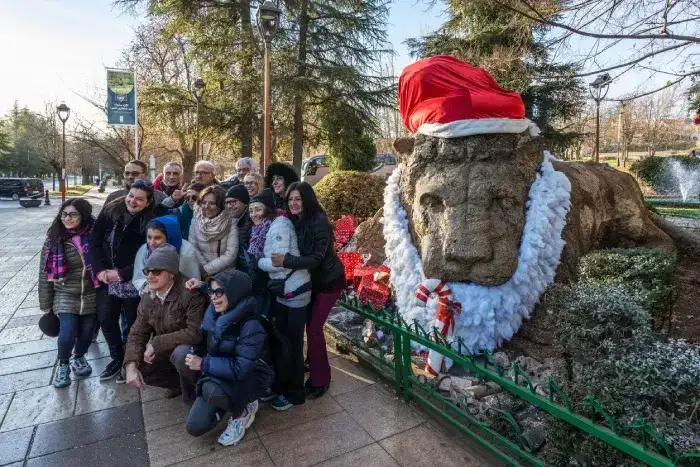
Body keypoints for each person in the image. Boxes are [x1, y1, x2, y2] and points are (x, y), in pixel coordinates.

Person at [183, 271, 273, 445]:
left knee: (210, 389)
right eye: (212, 292)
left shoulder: (251, 325)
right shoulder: (219, 312)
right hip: (221, 370)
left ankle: (244, 410)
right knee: (195, 426)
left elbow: (241, 368)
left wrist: (203, 363)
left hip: (250, 377)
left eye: (219, 292)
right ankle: (223, 401)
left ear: (234, 293)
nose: (214, 298)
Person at [272, 182, 345, 398]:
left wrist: (287, 261)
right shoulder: (293, 220)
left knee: (313, 329)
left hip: (329, 282)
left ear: (307, 200)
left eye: (298, 199)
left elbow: (316, 258)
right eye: (291, 199)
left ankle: (321, 379)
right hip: (310, 282)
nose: (294, 203)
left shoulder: (319, 221)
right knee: (306, 327)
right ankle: (310, 362)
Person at [91, 179, 168, 382]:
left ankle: (131, 360)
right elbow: (94, 240)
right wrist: (99, 270)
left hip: (133, 277)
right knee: (107, 319)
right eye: (131, 196)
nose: (133, 201)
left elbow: (151, 253)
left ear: (148, 202)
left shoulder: (152, 218)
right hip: (106, 276)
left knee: (135, 323)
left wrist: (122, 274)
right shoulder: (111, 210)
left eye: (139, 199)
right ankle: (117, 358)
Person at [123, 244, 207, 401]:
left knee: (182, 354)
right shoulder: (148, 296)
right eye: (147, 271)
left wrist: (156, 343)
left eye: (156, 272)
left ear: (172, 274)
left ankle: (196, 396)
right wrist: (130, 365)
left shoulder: (190, 293)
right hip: (166, 350)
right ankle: (179, 384)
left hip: (192, 350)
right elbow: (137, 333)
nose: (149, 276)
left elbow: (195, 333)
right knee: (132, 366)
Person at [253, 189, 311, 410]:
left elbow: (278, 263)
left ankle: (295, 393)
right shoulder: (272, 224)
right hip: (287, 292)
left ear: (269, 208)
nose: (254, 214)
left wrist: (259, 262)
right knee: (284, 342)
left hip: (294, 291)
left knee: (292, 344)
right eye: (251, 210)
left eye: (258, 209)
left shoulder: (278, 225)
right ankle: (284, 386)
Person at [39, 198, 100, 388]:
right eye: (64, 214)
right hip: (65, 293)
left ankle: (79, 357)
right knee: (68, 332)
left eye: (73, 214)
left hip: (91, 292)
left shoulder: (95, 235)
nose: (67, 218)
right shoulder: (54, 239)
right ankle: (63, 364)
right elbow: (44, 274)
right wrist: (46, 304)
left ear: (83, 215)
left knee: (87, 332)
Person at [132, 216, 200, 293]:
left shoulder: (186, 252)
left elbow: (193, 281)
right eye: (149, 237)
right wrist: (145, 285)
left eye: (157, 238)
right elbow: (138, 278)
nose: (151, 243)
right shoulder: (144, 250)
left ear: (169, 237)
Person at [189, 185, 238, 278]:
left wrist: (209, 269)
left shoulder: (231, 221)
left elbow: (231, 254)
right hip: (203, 273)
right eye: (204, 202)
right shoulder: (195, 220)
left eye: (212, 203)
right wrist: (205, 269)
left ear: (220, 204)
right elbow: (193, 247)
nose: (207, 207)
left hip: (226, 274)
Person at [226, 185, 253, 278]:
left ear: (245, 202)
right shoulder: (237, 220)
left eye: (233, 202)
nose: (229, 206)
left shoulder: (252, 221)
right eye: (227, 203)